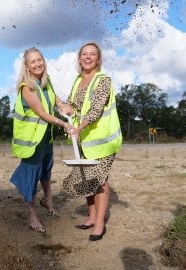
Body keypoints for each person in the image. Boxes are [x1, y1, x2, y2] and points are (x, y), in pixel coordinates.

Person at [62, 42, 122, 241]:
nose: (88, 57)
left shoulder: (103, 80)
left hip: (102, 141)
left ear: (99, 59)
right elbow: (72, 104)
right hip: (84, 140)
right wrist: (67, 108)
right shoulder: (78, 80)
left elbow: (95, 109)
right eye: (84, 54)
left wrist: (79, 128)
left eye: (92, 54)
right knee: (87, 178)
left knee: (100, 179)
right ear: (79, 58)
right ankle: (91, 217)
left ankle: (99, 224)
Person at [10, 47, 74, 233]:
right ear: (27, 67)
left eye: (40, 60)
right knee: (31, 177)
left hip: (46, 138)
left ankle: (48, 200)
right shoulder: (26, 87)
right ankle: (32, 216)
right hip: (32, 141)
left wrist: (63, 105)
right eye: (33, 61)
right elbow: (41, 112)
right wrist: (63, 124)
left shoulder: (46, 81)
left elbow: (54, 99)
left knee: (46, 170)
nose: (37, 64)